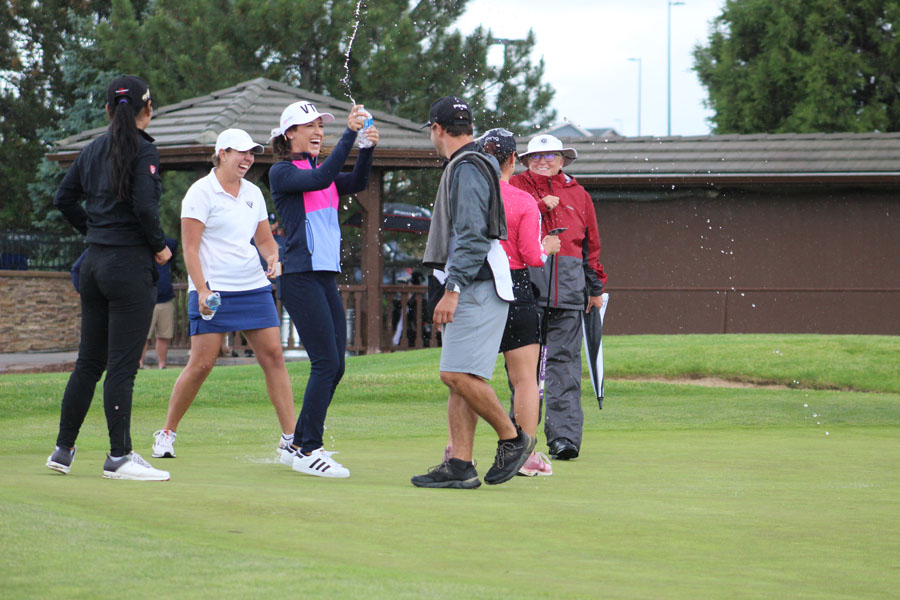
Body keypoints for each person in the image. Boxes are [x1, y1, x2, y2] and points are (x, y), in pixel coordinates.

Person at [46, 74, 172, 481]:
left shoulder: (92, 149)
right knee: (121, 367)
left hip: (95, 264)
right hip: (128, 267)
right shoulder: (144, 151)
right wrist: (159, 247)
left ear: (105, 110)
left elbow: (63, 199)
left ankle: (63, 450)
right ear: (147, 110)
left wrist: (95, 232)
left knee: (89, 362)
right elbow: (146, 208)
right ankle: (119, 457)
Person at [411, 96, 534, 490]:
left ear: (437, 129)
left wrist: (452, 288)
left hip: (475, 283)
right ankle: (461, 465)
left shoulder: (465, 167)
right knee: (463, 375)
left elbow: (471, 234)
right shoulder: (474, 163)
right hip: (479, 281)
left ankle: (514, 439)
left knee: (455, 373)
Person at [150, 129, 296, 459]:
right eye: (241, 152)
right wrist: (201, 289)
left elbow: (264, 241)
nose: (248, 158)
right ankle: (168, 431)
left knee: (273, 356)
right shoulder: (200, 193)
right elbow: (190, 247)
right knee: (201, 364)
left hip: (252, 285)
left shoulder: (254, 193)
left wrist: (274, 258)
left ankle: (291, 439)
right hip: (213, 289)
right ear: (222, 153)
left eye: (252, 153)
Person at [269, 100, 378, 478]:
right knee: (325, 362)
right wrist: (351, 134)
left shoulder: (319, 169)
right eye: (309, 126)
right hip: (299, 275)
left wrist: (365, 149)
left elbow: (356, 181)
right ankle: (307, 449)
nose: (317, 132)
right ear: (289, 134)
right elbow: (320, 179)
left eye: (321, 126)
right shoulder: (282, 172)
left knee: (338, 365)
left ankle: (296, 443)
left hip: (324, 275)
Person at [510, 134, 607, 460]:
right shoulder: (516, 187)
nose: (543, 160)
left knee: (564, 368)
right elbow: (507, 226)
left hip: (569, 292)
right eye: (535, 156)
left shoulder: (579, 195)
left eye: (550, 155)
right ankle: (520, 438)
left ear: (563, 159)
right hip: (526, 290)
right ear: (525, 161)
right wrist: (538, 205)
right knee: (525, 370)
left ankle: (564, 439)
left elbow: (590, 248)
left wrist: (595, 289)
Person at [476, 128, 561, 476]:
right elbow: (530, 254)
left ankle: (457, 450)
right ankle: (524, 455)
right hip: (515, 285)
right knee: (525, 378)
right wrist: (547, 247)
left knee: (468, 375)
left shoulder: (469, 196)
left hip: (476, 286)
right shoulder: (523, 201)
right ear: (513, 160)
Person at [140, 237, 178, 369]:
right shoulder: (143, 252)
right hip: (146, 301)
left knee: (164, 335)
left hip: (165, 300)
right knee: (143, 336)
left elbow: (173, 243)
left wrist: (156, 238)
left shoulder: (165, 252)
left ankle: (162, 365)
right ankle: (139, 363)